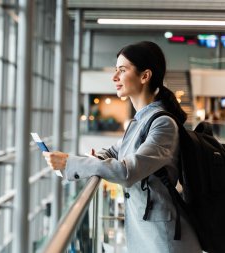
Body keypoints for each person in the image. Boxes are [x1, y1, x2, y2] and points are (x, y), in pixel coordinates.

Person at [43, 41, 202, 253]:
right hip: (148, 236)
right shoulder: (140, 121)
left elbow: (128, 171)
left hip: (164, 241)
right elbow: (113, 152)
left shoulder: (163, 124)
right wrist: (93, 160)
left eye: (122, 70)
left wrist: (70, 162)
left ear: (145, 76)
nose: (114, 77)